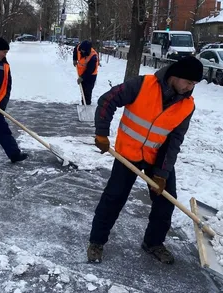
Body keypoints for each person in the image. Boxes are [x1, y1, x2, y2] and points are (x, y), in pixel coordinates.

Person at [87, 56, 204, 265]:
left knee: (166, 199)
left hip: (156, 156)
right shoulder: (142, 85)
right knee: (114, 197)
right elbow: (108, 100)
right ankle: (97, 241)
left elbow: (174, 140)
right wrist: (102, 133)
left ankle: (153, 243)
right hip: (128, 153)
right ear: (175, 77)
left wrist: (162, 173)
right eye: (188, 82)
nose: (190, 88)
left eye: (194, 84)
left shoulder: (187, 105)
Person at [72, 41, 99, 105]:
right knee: (83, 91)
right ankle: (83, 103)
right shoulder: (79, 48)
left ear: (87, 50)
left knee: (87, 92)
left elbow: (90, 70)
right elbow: (75, 51)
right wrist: (74, 59)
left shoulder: (93, 57)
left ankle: (87, 105)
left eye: (83, 51)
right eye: (81, 50)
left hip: (91, 76)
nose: (81, 52)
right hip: (81, 73)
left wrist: (82, 78)